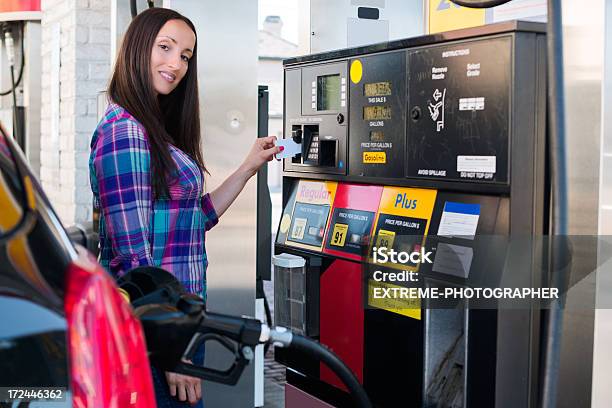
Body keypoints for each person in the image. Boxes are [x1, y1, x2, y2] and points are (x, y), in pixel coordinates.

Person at [89, 8, 281, 407]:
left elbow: (197, 219)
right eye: (165, 47)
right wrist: (170, 351)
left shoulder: (152, 130)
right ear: (137, 49)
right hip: (154, 335)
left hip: (178, 325)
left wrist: (247, 167)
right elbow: (132, 259)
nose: (176, 64)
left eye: (186, 56)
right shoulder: (125, 131)